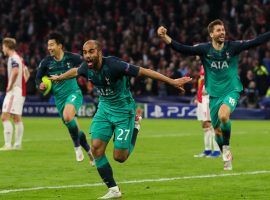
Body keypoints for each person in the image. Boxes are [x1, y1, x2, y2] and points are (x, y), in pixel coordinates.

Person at [50, 40, 192, 199]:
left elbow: (144, 71)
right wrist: (59, 77)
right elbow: (75, 71)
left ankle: (136, 127)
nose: (87, 56)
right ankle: (113, 190)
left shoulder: (114, 66)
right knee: (96, 148)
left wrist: (172, 81)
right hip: (104, 110)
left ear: (99, 52)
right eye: (84, 52)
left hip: (124, 111)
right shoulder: (85, 68)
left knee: (120, 157)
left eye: (91, 51)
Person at [158, 19, 270, 170]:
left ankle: (226, 149)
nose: (222, 32)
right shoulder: (204, 49)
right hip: (214, 95)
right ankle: (225, 154)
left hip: (231, 90)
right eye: (218, 30)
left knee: (224, 116)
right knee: (216, 130)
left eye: (223, 29)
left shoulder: (233, 47)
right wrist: (165, 37)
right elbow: (183, 49)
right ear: (211, 34)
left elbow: (256, 41)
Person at [35, 32, 94, 165]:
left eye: (51, 45)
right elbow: (37, 78)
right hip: (59, 99)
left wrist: (90, 78)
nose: (49, 48)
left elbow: (87, 64)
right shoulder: (46, 62)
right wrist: (41, 85)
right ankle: (90, 152)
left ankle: (76, 146)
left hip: (73, 93)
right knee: (74, 127)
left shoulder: (72, 58)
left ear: (60, 46)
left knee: (68, 117)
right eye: (48, 45)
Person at [0, 37, 29, 151]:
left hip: (14, 91)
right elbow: (26, 73)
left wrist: (11, 85)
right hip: (19, 90)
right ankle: (17, 145)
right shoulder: (19, 58)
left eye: (3, 46)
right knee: (16, 118)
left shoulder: (13, 59)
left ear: (7, 47)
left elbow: (16, 71)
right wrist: (21, 84)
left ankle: (8, 145)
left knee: (4, 117)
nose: (2, 48)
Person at [194, 65, 220, 158]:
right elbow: (201, 83)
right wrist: (197, 97)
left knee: (213, 126)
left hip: (209, 98)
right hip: (201, 99)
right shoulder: (202, 65)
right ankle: (207, 150)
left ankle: (217, 151)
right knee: (205, 126)